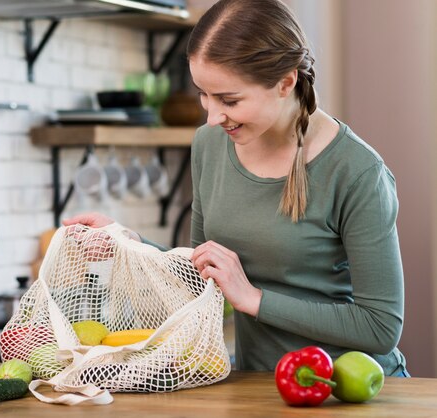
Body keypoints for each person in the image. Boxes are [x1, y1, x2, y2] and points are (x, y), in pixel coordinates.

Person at [64, 0, 408, 377]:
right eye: (204, 94)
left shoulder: (357, 171)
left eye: (229, 99)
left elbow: (380, 327)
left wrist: (254, 299)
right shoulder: (210, 145)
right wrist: (127, 242)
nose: (212, 117)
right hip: (258, 388)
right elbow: (201, 273)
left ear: (285, 83)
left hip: (347, 392)